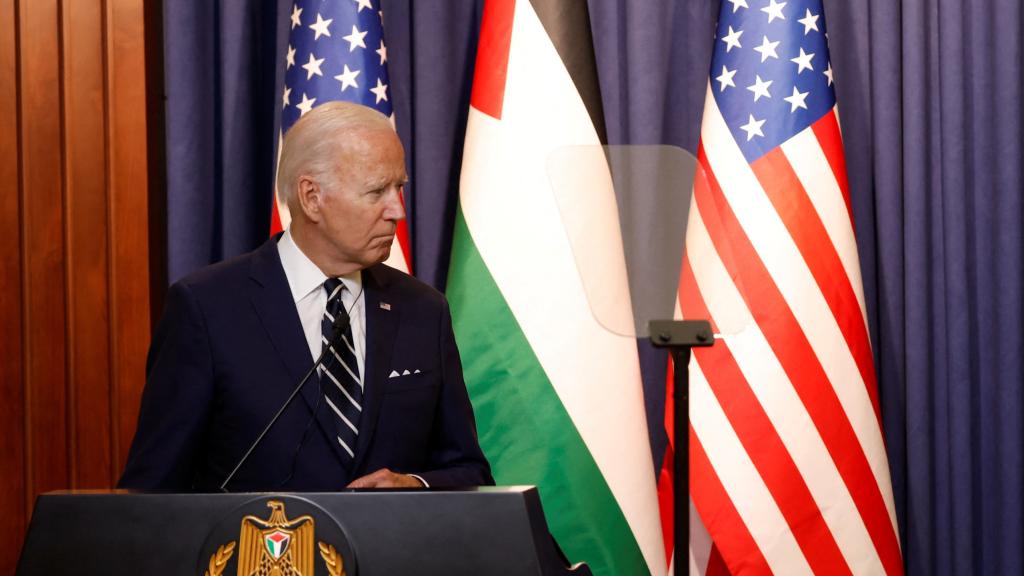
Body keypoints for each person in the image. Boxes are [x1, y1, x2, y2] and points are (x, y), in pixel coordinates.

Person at [119, 101, 492, 491]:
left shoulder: (423, 310)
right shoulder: (207, 308)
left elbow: (470, 472)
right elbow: (152, 491)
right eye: (377, 191)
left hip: (393, 534)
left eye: (399, 187)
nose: (397, 210)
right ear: (312, 197)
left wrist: (415, 485)